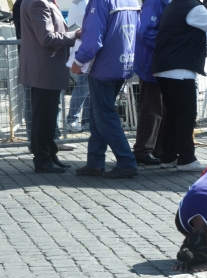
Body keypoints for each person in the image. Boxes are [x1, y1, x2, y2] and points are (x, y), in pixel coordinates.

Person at [73, 0, 140, 178]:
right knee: (99, 115)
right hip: (122, 63)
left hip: (103, 67)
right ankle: (95, 162)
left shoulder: (100, 1)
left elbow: (94, 38)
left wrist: (79, 60)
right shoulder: (131, 1)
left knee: (104, 117)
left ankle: (126, 162)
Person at [152, 0, 207, 172]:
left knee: (172, 114)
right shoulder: (193, 7)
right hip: (179, 69)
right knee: (186, 114)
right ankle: (186, 158)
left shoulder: (174, 5)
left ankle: (168, 156)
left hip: (163, 67)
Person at [18, 0, 79, 173]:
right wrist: (75, 35)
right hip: (44, 69)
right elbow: (46, 38)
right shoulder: (38, 2)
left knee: (48, 116)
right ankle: (43, 159)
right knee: (43, 117)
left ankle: (49, 154)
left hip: (46, 69)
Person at [132, 0, 171, 166]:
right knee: (152, 108)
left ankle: (157, 149)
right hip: (151, 63)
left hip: (162, 61)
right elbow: (145, 32)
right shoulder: (154, 3)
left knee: (162, 108)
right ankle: (143, 150)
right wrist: (170, 42)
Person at [66, 0, 90, 133]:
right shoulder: (83, 3)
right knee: (83, 87)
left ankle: (86, 120)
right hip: (82, 51)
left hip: (82, 49)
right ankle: (72, 120)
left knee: (87, 88)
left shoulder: (81, 2)